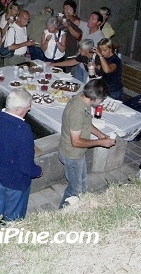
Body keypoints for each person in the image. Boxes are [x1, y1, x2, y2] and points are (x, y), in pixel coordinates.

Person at [0, 89, 42, 223]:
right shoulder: (23, 130)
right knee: (14, 215)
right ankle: (10, 238)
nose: (30, 107)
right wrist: (38, 171)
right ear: (21, 108)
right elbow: (25, 166)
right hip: (16, 180)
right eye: (29, 105)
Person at [58, 78, 115, 207]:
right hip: (72, 154)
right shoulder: (77, 110)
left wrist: (100, 134)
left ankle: (77, 210)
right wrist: (100, 142)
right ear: (95, 98)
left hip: (77, 154)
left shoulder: (84, 100)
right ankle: (62, 213)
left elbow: (86, 124)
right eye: (101, 100)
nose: (101, 102)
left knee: (82, 183)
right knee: (75, 190)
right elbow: (76, 142)